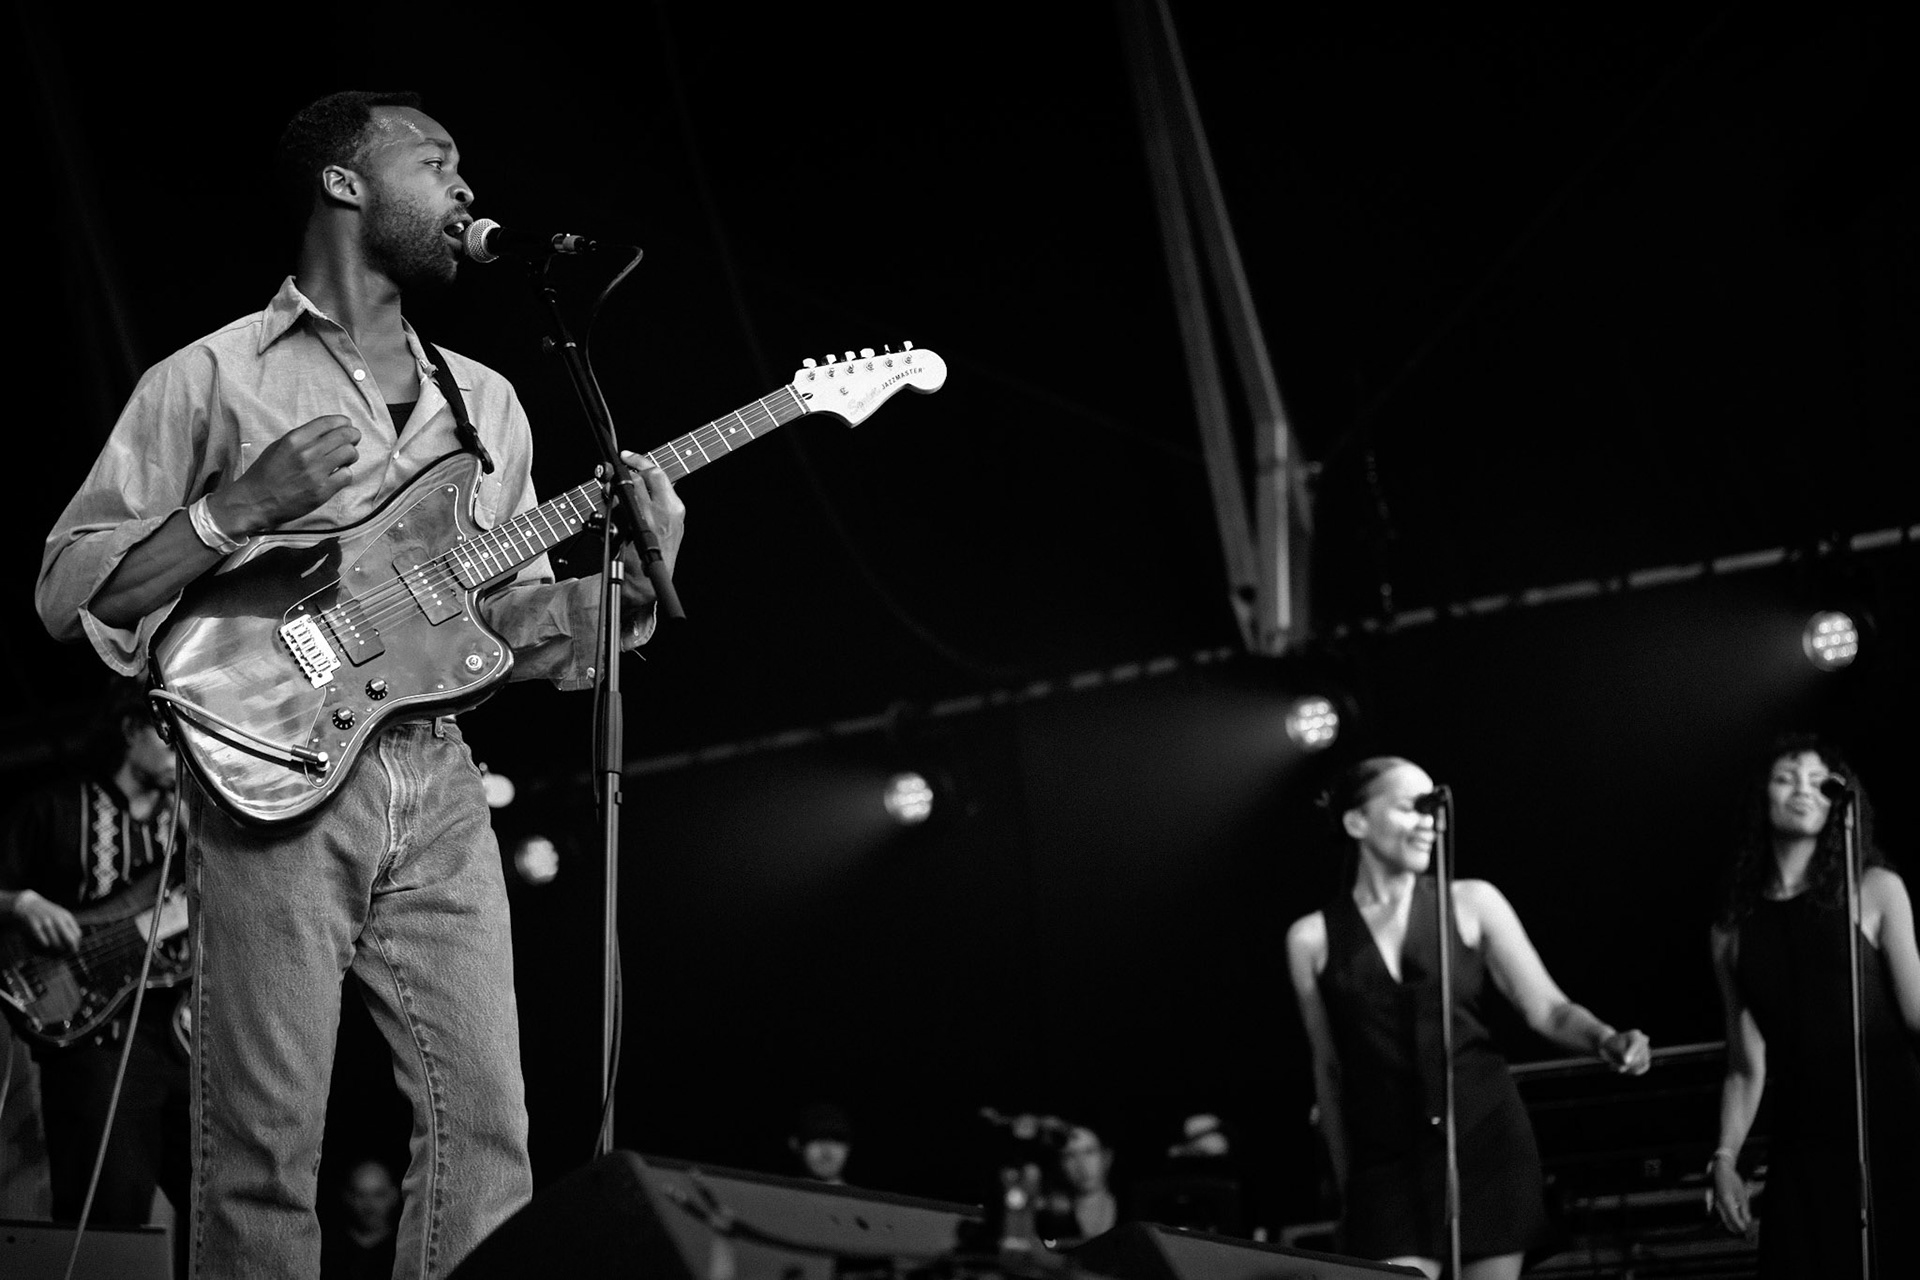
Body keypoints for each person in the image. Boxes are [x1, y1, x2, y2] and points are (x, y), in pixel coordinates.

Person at [34, 89, 686, 1277]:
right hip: (269, 780)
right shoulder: (210, 377)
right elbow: (74, 585)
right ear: (345, 183)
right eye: (437, 162)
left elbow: (502, 626)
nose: (467, 192)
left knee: (489, 1128)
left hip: (440, 776)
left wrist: (637, 587)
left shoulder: (482, 401)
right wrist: (235, 509)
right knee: (264, 1145)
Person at [1285, 756, 1651, 1280]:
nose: (1430, 821)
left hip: (1486, 1145)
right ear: (1356, 822)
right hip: (1385, 1164)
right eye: (1412, 807)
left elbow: (1546, 1007)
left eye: (1434, 808)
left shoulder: (1473, 902)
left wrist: (1604, 1037)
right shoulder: (1311, 938)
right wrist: (1349, 1189)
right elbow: (1330, 1070)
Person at [1706, 736, 1920, 1278]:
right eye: (1786, 777)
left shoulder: (1874, 889)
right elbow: (1745, 1066)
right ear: (1763, 796)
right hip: (1803, 1141)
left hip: (1893, 1126)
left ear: (1836, 800)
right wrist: (1725, 1158)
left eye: (1816, 779)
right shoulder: (1731, 929)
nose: (1802, 787)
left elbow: (1918, 1014)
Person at [0, 681, 190, 1268]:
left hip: (185, 1038)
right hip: (94, 1041)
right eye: (169, 736)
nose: (182, 751)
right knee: (108, 1210)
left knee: (225, 1194)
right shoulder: (54, 807)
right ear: (132, 729)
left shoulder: (191, 830)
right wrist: (21, 903)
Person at [321, 1157, 402, 1280]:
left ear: (394, 1195)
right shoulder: (327, 1248)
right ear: (347, 1197)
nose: (369, 1205)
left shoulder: (404, 1249)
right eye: (360, 1195)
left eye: (378, 1195)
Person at [1037, 1124, 1118, 1245]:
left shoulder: (1136, 1208)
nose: (1081, 1165)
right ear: (1059, 1165)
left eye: (1089, 1152)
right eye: (1069, 1155)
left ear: (1106, 1157)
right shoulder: (1049, 1216)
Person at [788, 1101, 854, 1184]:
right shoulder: (776, 1195)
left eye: (837, 1140)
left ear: (849, 1147)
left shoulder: (863, 1197)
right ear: (795, 1144)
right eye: (817, 1139)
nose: (827, 1152)